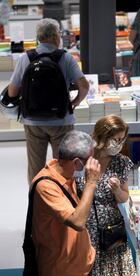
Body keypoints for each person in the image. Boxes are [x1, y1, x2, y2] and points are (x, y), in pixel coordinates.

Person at [7, 18, 89, 183]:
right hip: (61, 120)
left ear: (39, 37)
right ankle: (62, 203)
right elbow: (84, 86)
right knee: (64, 165)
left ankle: (37, 203)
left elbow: (12, 90)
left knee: (35, 167)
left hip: (32, 121)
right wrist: (75, 102)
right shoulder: (65, 58)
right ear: (55, 37)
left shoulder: (26, 58)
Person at [31, 130, 100, 276]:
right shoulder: (45, 186)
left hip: (81, 264)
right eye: (90, 160)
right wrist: (91, 182)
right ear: (76, 162)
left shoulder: (66, 173)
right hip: (62, 269)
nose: (92, 165)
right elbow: (78, 222)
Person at [76, 115, 135, 275]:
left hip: (111, 230)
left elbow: (125, 197)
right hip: (86, 230)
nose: (119, 144)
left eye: (122, 140)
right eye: (116, 140)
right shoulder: (82, 159)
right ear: (103, 137)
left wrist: (117, 190)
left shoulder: (121, 162)